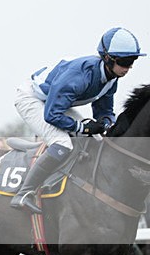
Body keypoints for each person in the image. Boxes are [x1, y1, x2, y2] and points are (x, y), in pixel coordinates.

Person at [10, 27, 144, 214]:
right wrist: (83, 128)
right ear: (107, 58)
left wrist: (106, 123)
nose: (127, 68)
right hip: (32, 99)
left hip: (53, 103)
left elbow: (104, 111)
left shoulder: (112, 77)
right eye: (124, 62)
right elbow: (52, 115)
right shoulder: (81, 75)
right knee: (63, 143)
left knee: (97, 140)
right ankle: (24, 193)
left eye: (132, 62)